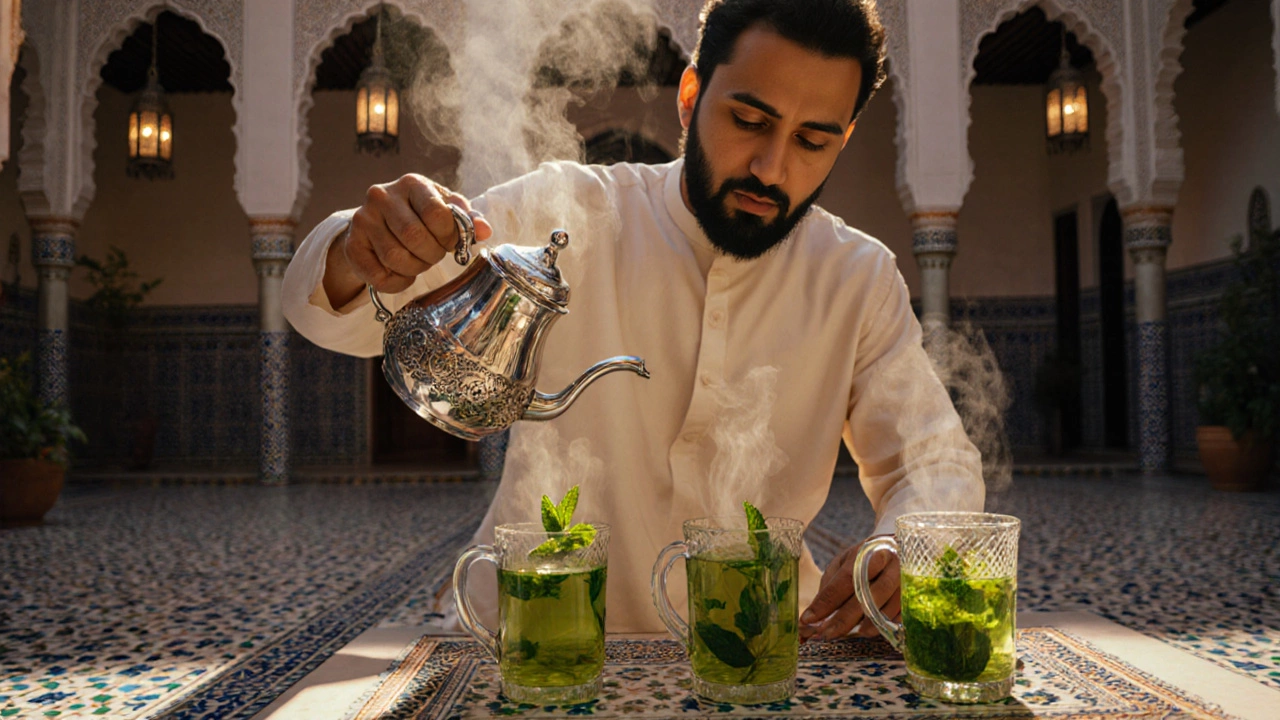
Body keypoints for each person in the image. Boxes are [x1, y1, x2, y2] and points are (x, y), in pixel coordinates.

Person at [282, 0, 983, 640]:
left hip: (753, 654)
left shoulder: (855, 277)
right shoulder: (565, 211)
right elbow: (332, 318)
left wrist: (907, 541)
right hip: (527, 648)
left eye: (813, 141)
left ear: (846, 137)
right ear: (689, 98)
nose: (772, 169)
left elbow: (932, 461)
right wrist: (359, 246)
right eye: (749, 121)